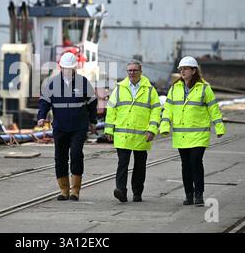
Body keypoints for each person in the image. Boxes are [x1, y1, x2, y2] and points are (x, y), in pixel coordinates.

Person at [159, 56, 226, 206]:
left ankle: (199, 194)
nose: (182, 71)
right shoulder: (174, 88)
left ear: (194, 70)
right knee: (185, 165)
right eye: (181, 69)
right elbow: (168, 109)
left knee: (195, 162)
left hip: (199, 134)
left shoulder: (204, 88)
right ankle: (188, 194)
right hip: (181, 135)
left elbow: (213, 109)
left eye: (185, 69)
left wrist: (219, 127)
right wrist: (164, 126)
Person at [37, 52, 98, 201]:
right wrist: (41, 117)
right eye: (65, 68)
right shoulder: (52, 83)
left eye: (70, 68)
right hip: (60, 127)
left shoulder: (83, 83)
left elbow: (92, 104)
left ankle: (75, 190)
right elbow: (44, 102)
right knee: (60, 157)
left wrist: (93, 122)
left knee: (76, 154)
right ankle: (64, 190)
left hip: (79, 127)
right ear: (61, 67)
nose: (68, 71)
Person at [104, 60, 161, 202]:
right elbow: (111, 110)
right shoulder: (119, 88)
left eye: (135, 70)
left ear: (141, 72)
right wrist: (109, 130)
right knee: (122, 163)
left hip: (142, 135)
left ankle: (137, 192)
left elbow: (156, 111)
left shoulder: (149, 90)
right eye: (129, 70)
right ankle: (121, 190)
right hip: (123, 134)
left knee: (140, 166)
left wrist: (152, 130)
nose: (132, 73)